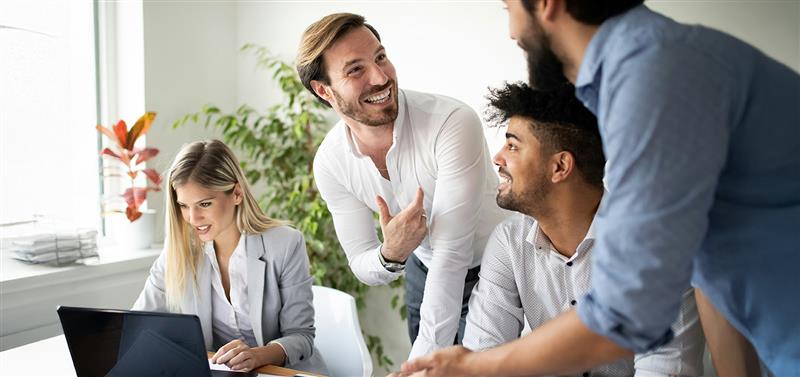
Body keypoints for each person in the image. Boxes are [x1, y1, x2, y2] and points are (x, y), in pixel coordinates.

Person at [402, 1, 800, 376]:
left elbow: (627, 315)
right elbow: (713, 265)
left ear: (547, 4)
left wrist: (475, 366)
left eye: (509, 7)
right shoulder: (657, 66)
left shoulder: (654, 79)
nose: (511, 32)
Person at [296, 13, 508, 358]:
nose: (381, 77)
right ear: (323, 90)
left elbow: (452, 253)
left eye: (380, 57)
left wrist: (418, 365)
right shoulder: (331, 162)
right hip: (423, 269)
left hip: (495, 268)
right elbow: (361, 261)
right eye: (355, 69)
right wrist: (390, 254)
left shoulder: (451, 123)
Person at [462, 82, 704, 376]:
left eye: (513, 145)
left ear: (560, 167)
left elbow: (664, 368)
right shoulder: (509, 243)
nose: (498, 158)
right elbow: (481, 359)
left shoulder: (654, 246)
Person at [133, 140, 328, 374]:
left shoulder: (285, 244)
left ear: (236, 193)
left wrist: (257, 356)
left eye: (204, 204)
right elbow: (139, 326)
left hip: (279, 373)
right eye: (184, 206)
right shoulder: (178, 251)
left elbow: (302, 337)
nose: (193, 218)